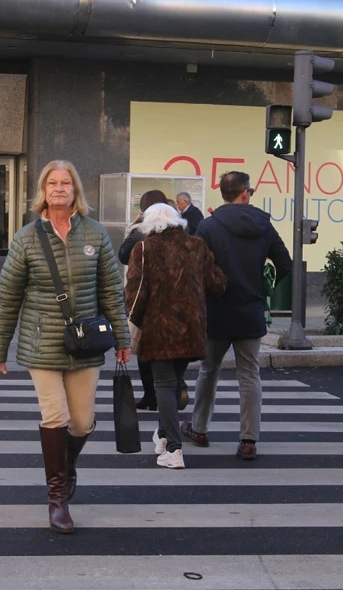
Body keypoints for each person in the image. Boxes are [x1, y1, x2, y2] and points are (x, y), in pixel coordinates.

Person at [0, 160, 131, 534]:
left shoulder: (96, 235)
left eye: (66, 182)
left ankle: (65, 468)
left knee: (81, 422)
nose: (59, 188)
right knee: (56, 417)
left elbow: (112, 292)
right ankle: (57, 498)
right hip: (42, 342)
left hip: (86, 343)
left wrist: (123, 339)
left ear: (76, 191)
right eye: (52, 182)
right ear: (43, 190)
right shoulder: (27, 238)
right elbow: (8, 297)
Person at [180, 171, 293, 460]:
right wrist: (265, 289)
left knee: (209, 371)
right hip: (250, 310)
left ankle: (199, 428)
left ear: (224, 193)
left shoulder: (208, 226)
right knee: (249, 374)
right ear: (244, 192)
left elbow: (193, 269)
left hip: (216, 309)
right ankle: (248, 440)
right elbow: (285, 264)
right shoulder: (264, 224)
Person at [125, 203, 225, 468]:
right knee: (172, 382)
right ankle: (162, 435)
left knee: (164, 386)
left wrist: (131, 321)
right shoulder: (197, 246)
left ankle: (173, 447)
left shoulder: (144, 248)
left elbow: (136, 293)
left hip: (159, 329)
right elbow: (216, 284)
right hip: (192, 327)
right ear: (176, 220)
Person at [119, 189, 191, 412]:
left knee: (145, 350)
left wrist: (133, 225)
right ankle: (175, 388)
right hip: (179, 302)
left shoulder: (142, 233)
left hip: (148, 302)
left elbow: (123, 254)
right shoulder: (185, 236)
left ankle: (155, 399)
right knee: (172, 354)